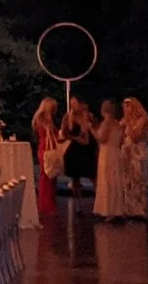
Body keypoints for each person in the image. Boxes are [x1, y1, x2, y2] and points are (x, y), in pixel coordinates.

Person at [92, 98, 137, 220]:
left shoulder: (106, 123)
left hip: (106, 153)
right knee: (115, 180)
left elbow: (102, 138)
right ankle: (116, 209)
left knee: (106, 180)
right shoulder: (118, 124)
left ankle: (107, 210)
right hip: (116, 153)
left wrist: (92, 130)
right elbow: (121, 140)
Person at [29, 96, 62, 224]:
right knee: (46, 176)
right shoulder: (40, 119)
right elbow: (48, 131)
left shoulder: (50, 119)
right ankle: (44, 205)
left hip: (50, 146)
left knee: (52, 176)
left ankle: (50, 204)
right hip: (45, 147)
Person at [62, 99, 99, 203]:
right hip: (76, 149)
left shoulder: (89, 116)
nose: (73, 106)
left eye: (75, 103)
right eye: (71, 103)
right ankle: (78, 203)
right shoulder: (68, 117)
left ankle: (99, 200)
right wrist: (75, 138)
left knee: (93, 175)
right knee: (75, 178)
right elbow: (64, 133)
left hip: (88, 149)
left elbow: (96, 130)